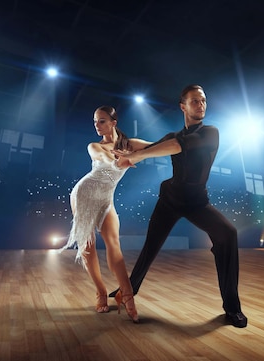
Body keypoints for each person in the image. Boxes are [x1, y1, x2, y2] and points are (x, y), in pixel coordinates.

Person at [109, 85, 248, 328]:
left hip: (197, 202)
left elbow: (175, 147)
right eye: (195, 101)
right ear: (183, 106)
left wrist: (137, 157)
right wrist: (121, 143)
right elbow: (146, 144)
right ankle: (128, 290)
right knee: (150, 247)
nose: (201, 104)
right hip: (171, 199)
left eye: (203, 100)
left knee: (228, 235)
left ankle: (232, 309)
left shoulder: (210, 133)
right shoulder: (174, 136)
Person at [61, 105, 151, 323]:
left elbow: (157, 147)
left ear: (113, 122)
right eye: (94, 121)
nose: (97, 125)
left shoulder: (131, 144)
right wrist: (120, 160)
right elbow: (101, 158)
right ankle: (101, 292)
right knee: (87, 245)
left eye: (101, 121)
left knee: (113, 243)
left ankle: (127, 296)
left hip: (106, 199)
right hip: (84, 194)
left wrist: (183, 143)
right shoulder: (94, 146)